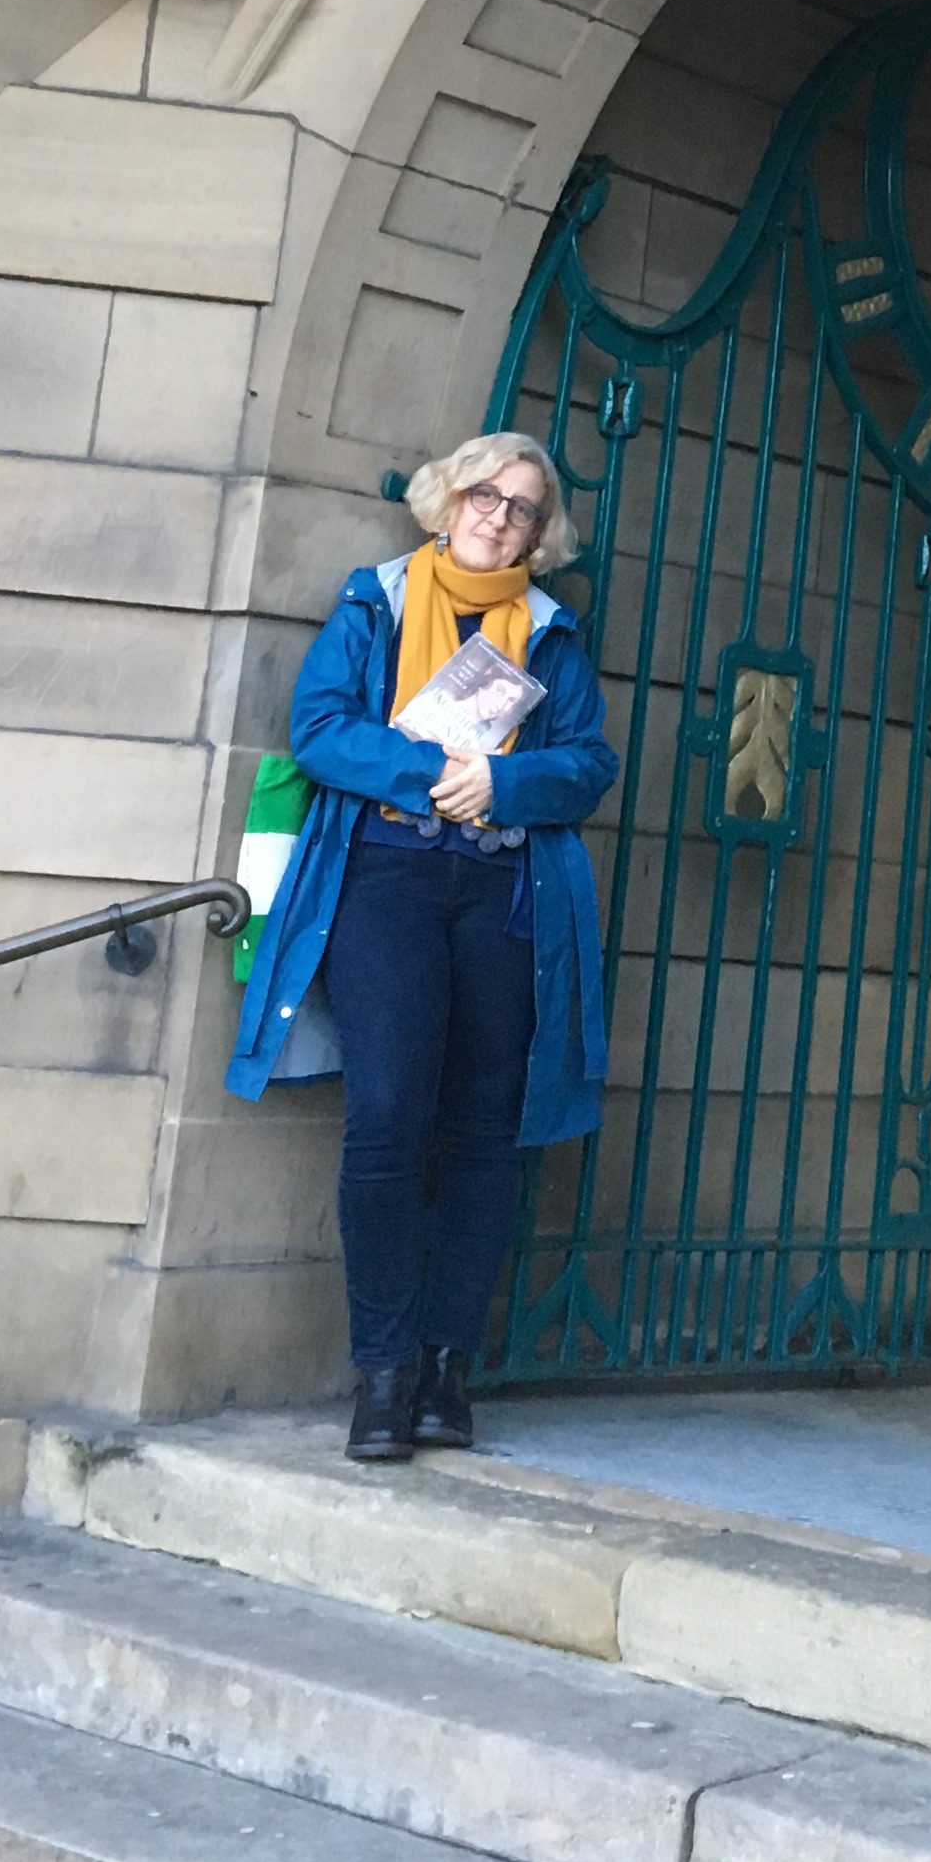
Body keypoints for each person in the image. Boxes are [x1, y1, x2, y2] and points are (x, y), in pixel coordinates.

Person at [226, 432, 616, 1462]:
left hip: (501, 886)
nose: (499, 516)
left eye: (524, 507)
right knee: (391, 1114)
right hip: (387, 874)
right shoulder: (377, 600)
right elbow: (319, 727)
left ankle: (448, 1369)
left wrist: (506, 785)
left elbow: (588, 762)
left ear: (542, 533)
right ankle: (384, 1372)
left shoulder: (554, 633)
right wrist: (429, 769)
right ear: (448, 501)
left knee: (484, 1129)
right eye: (486, 494)